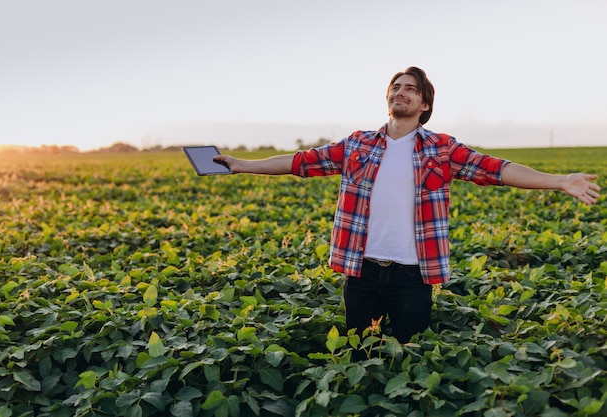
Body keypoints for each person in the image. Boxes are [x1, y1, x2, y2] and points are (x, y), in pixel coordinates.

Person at [214, 66, 601, 359]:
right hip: (361, 271)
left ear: (424, 104)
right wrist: (243, 164)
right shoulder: (358, 144)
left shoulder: (442, 149)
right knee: (360, 354)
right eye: (396, 88)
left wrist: (559, 180)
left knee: (410, 357)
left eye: (411, 89)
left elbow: (497, 169)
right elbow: (300, 162)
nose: (401, 93)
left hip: (413, 276)